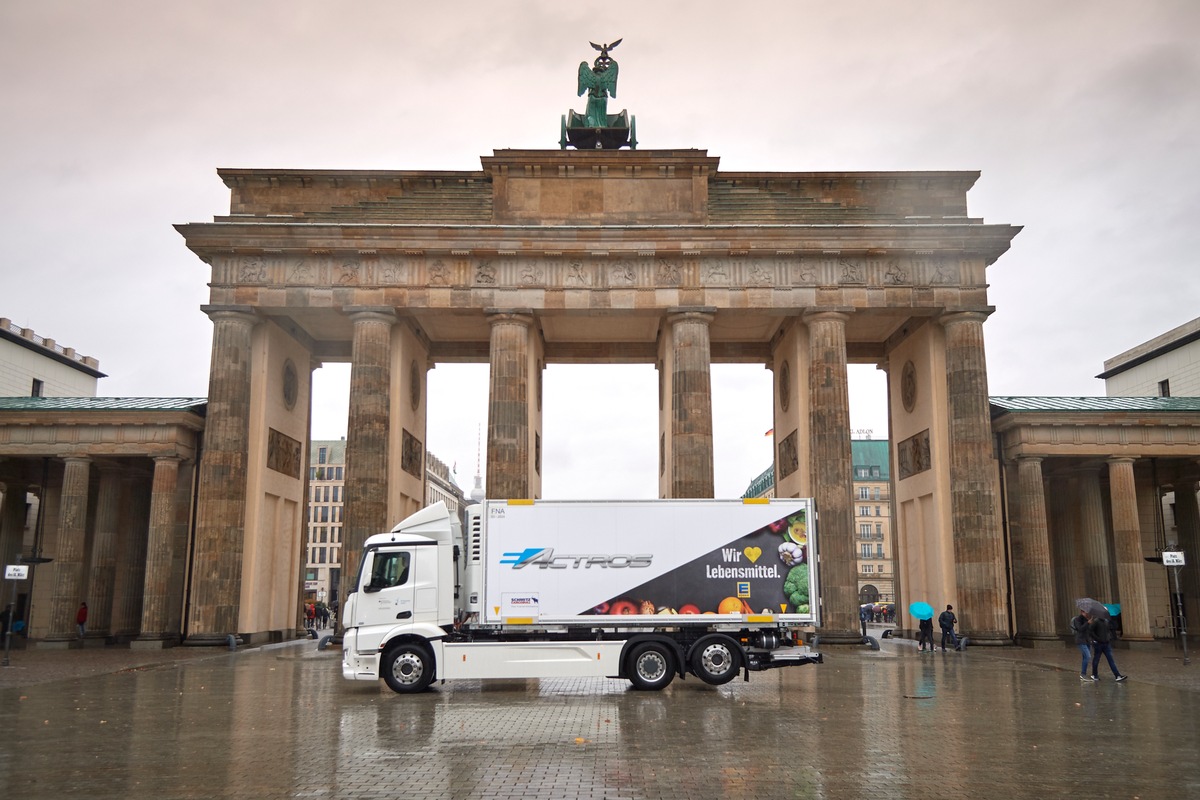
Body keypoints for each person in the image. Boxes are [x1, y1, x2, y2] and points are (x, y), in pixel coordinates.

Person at [1088, 611, 1127, 682]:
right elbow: (1090, 631)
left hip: (1106, 643)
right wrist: (1097, 638)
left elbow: (1109, 630)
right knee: (1096, 659)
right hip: (1098, 644)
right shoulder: (1096, 621)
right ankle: (1094, 674)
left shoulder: (1106, 621)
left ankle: (1117, 675)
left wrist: (1109, 637)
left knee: (1111, 660)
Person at [1071, 611, 1094, 681]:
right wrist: (1087, 623)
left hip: (1087, 641)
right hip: (1081, 641)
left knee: (1085, 657)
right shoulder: (1077, 619)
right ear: (1082, 612)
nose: (1086, 613)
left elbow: (1089, 631)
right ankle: (1083, 674)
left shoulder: (1087, 619)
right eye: (1085, 612)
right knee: (1088, 656)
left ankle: (1084, 673)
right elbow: (1080, 629)